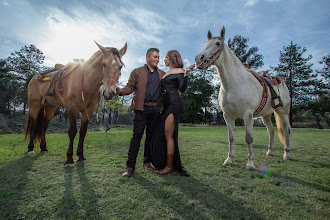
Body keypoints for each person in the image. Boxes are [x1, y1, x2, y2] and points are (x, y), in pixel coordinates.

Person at [116, 48, 165, 177]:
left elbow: (168, 90)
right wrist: (120, 91)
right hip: (141, 109)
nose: (157, 59)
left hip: (156, 110)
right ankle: (130, 167)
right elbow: (129, 87)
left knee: (150, 137)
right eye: (155, 57)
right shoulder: (137, 72)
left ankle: (147, 162)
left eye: (158, 57)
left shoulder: (162, 74)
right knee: (136, 137)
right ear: (147, 57)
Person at [150, 50, 195, 176]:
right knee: (160, 133)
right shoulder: (166, 73)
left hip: (174, 105)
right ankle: (163, 161)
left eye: (165, 58)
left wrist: (186, 74)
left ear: (171, 58)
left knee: (168, 135)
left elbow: (182, 88)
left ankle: (169, 166)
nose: (164, 60)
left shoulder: (180, 71)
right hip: (166, 106)